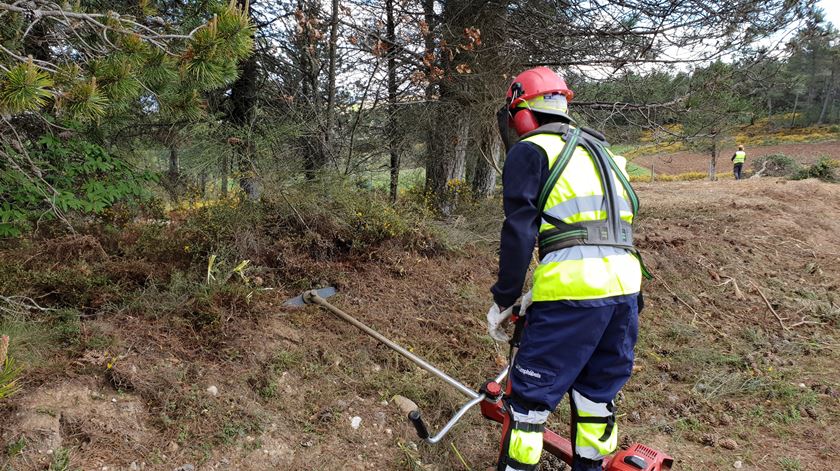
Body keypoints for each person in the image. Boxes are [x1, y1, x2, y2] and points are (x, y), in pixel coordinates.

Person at [487, 67, 648, 471]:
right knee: (597, 397)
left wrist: (505, 297)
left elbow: (519, 231)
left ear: (521, 111)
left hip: (571, 295)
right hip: (625, 290)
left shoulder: (533, 149)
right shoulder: (604, 151)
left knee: (528, 403)